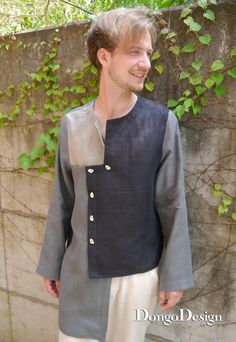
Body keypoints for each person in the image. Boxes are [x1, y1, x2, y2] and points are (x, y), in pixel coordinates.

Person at [36, 7, 194, 342]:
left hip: (136, 278)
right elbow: (64, 199)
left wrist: (174, 274)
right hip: (79, 276)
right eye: (134, 52)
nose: (146, 63)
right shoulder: (75, 124)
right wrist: (52, 263)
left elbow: (172, 203)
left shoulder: (161, 123)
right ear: (104, 56)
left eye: (148, 53)